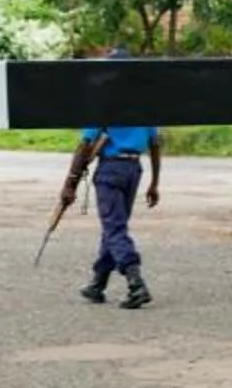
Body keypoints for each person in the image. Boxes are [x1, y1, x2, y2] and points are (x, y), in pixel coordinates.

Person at [63, 116, 161, 309]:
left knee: (114, 228)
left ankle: (136, 283)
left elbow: (85, 145)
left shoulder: (102, 108)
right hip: (133, 170)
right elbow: (155, 144)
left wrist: (70, 185)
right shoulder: (144, 108)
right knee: (115, 226)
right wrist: (154, 183)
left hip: (111, 168)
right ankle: (98, 283)